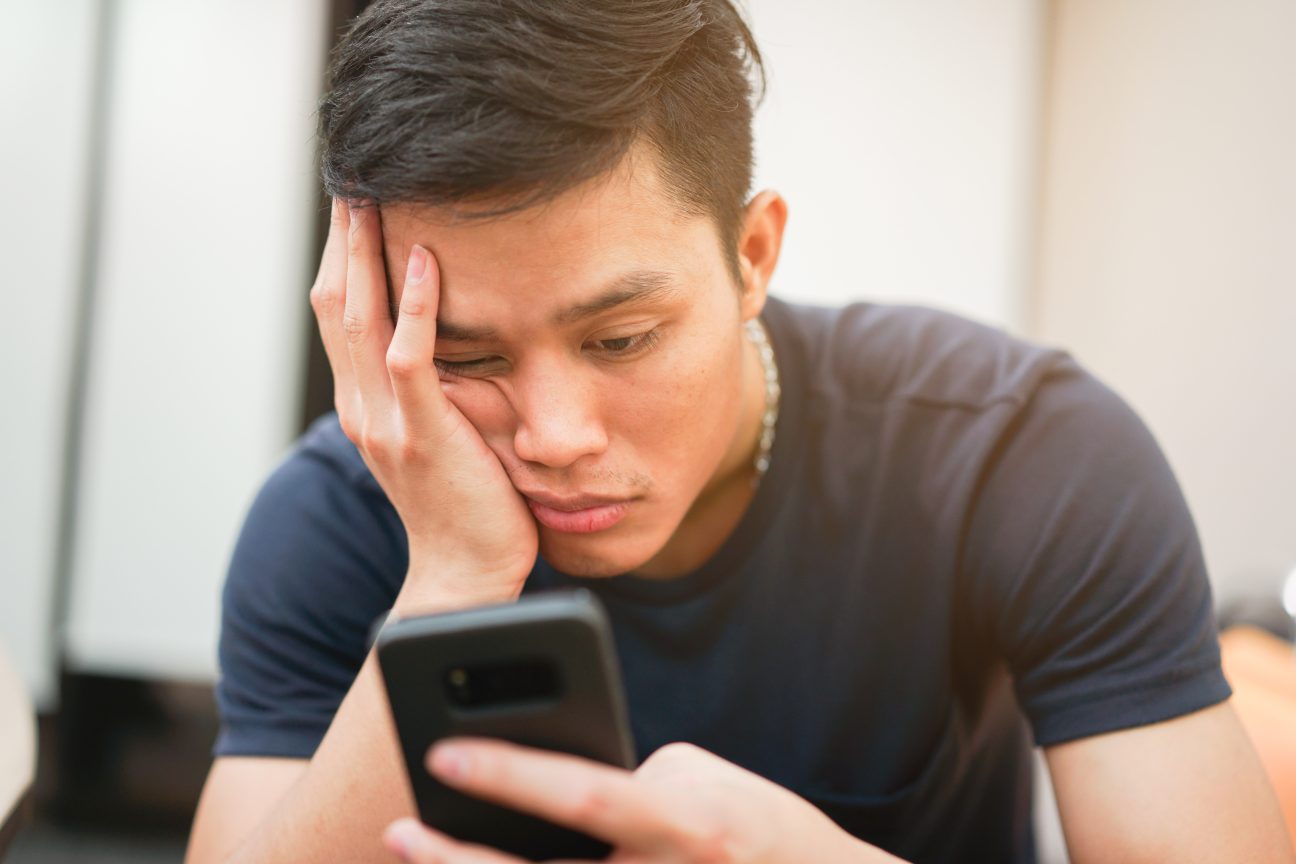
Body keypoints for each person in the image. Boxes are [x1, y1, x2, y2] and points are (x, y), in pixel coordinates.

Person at [184, 1, 1295, 862]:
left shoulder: (1022, 456)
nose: (556, 434)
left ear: (753, 254)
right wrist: (454, 576)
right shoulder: (334, 519)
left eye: (621, 339)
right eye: (468, 358)